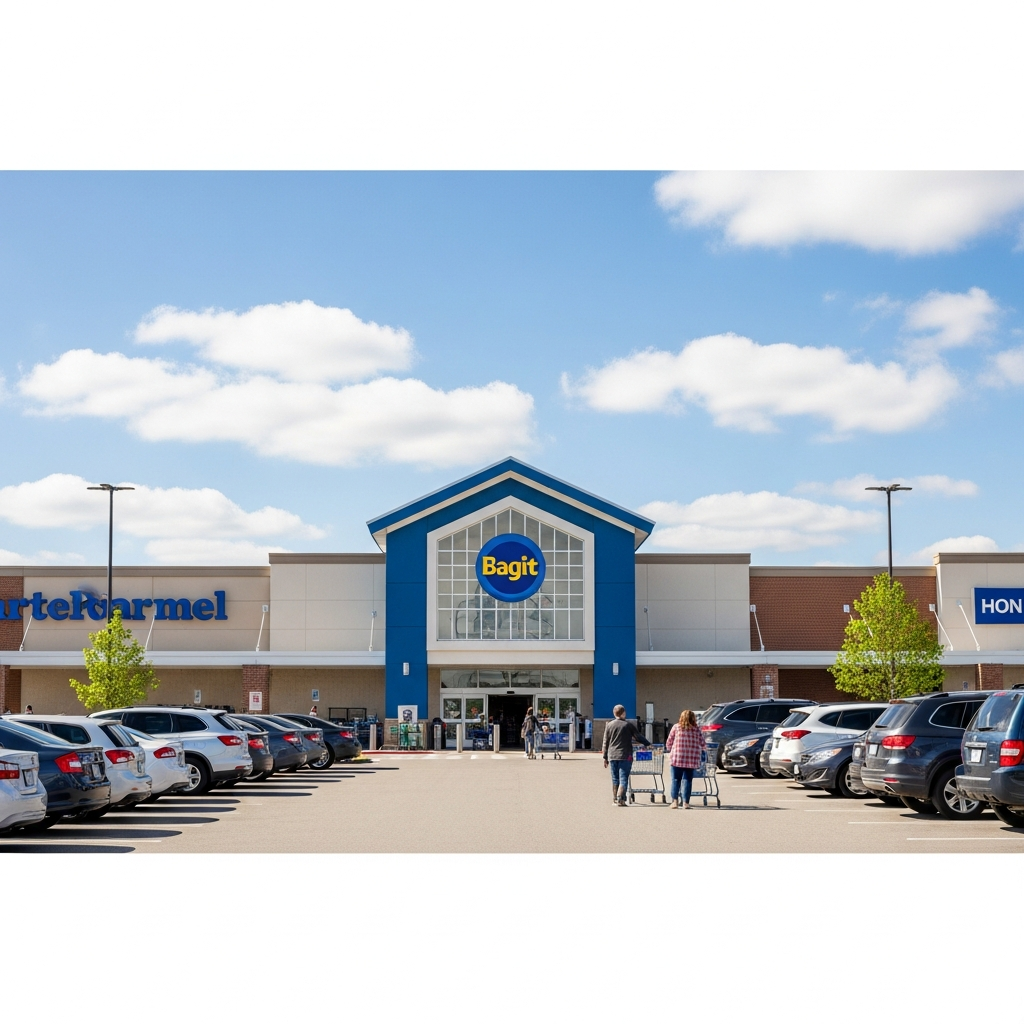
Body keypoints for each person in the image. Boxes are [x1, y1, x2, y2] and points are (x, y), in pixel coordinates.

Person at [602, 704, 650, 806]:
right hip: (625, 755)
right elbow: (638, 737)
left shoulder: (609, 725)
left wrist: (605, 757)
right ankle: (621, 799)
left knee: (615, 778)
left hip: (612, 755)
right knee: (623, 777)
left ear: (614, 713)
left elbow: (605, 742)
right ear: (623, 713)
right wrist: (648, 744)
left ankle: (615, 799)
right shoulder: (628, 725)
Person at [665, 709, 707, 809]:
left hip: (677, 758)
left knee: (675, 780)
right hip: (691, 759)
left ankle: (675, 802)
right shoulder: (696, 729)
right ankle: (686, 803)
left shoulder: (676, 727)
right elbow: (703, 744)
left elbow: (669, 742)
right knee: (687, 780)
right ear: (693, 718)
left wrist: (670, 749)